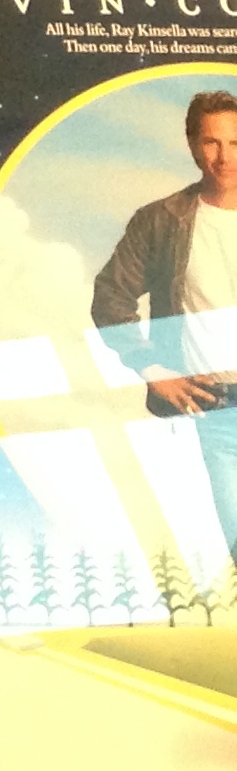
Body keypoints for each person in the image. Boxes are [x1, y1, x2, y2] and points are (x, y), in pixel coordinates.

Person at [92, 88, 237, 551]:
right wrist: (154, 371)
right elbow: (111, 296)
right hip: (216, 405)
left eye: (235, 143)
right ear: (193, 144)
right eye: (212, 142)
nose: (223, 156)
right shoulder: (161, 220)